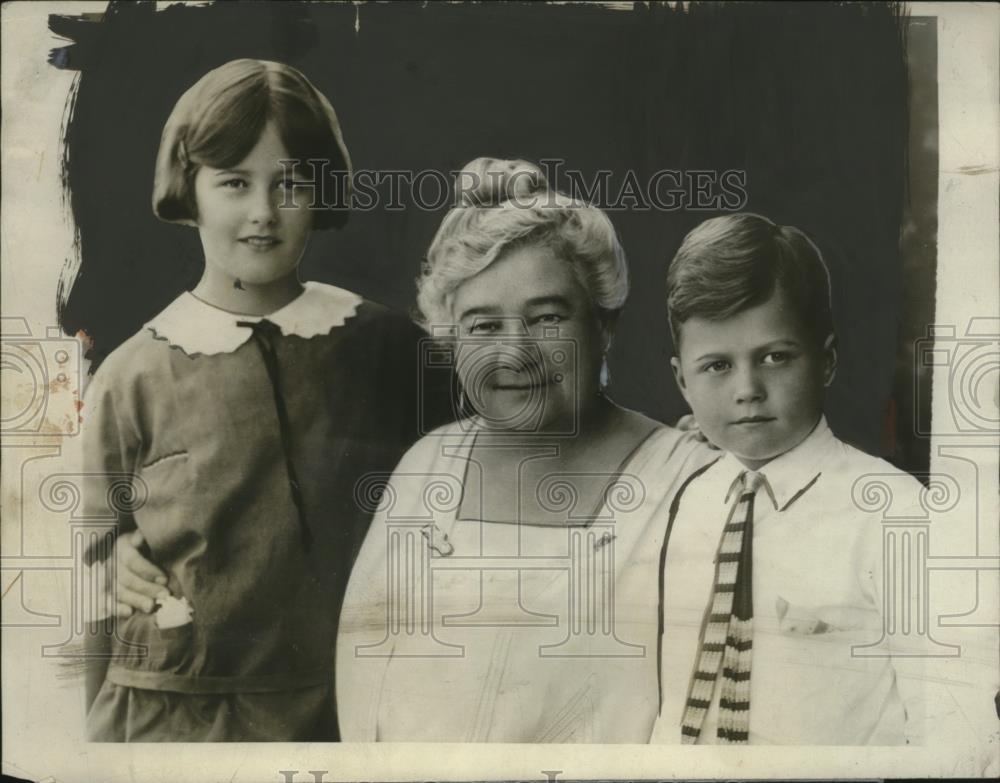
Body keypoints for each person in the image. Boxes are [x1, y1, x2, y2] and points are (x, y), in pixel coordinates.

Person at [81, 58, 448, 742]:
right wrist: (107, 563)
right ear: (189, 192)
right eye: (233, 183)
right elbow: (87, 559)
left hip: (349, 705)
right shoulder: (132, 374)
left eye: (290, 183)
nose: (262, 212)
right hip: (175, 712)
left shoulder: (388, 346)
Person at [334, 158, 716, 742]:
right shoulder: (426, 468)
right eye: (484, 327)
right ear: (449, 337)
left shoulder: (690, 482)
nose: (514, 354)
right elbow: (362, 680)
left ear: (604, 324)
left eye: (545, 318)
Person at [649, 213, 994, 749]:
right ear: (681, 381)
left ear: (826, 361)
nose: (748, 389)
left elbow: (952, 724)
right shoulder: (687, 495)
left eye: (775, 357)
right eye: (717, 365)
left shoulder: (899, 514)